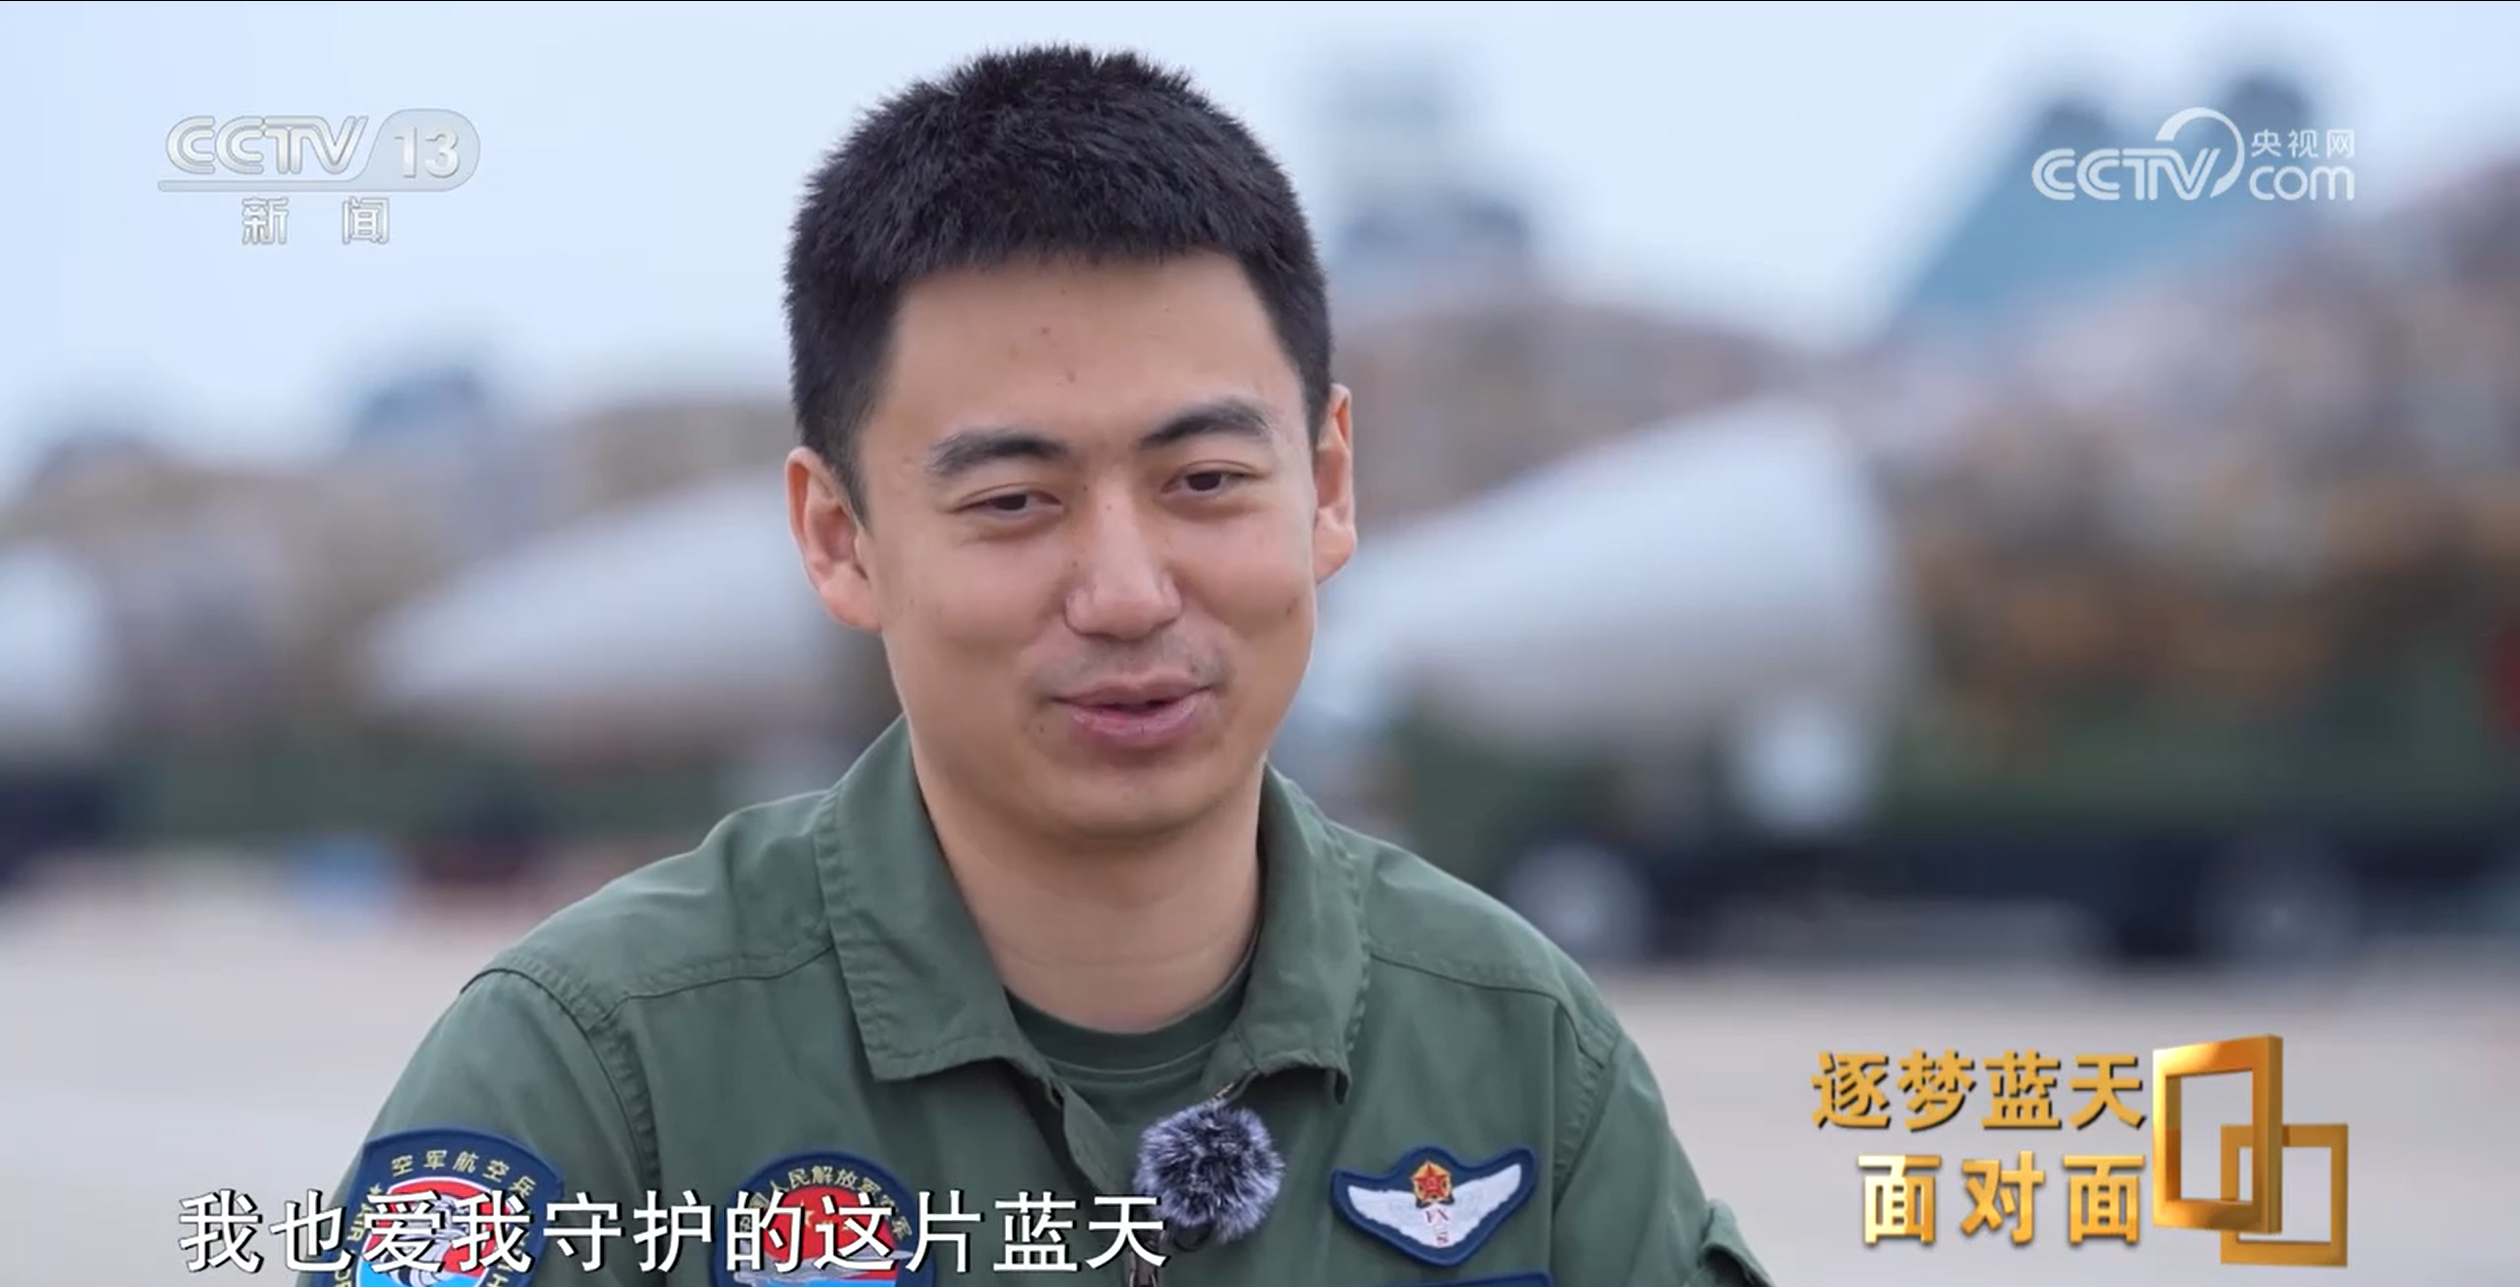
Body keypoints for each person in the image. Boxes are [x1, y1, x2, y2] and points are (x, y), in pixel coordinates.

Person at [304, 44, 1773, 1287]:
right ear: (839, 537)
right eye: (1014, 501)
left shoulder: (1521, 1051)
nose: (1127, 595)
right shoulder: (597, 1071)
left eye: (1205, 481)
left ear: (1328, 487)